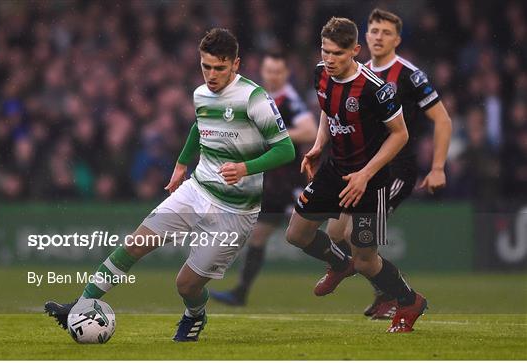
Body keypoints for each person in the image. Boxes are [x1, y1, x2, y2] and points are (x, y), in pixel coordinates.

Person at [44, 28, 295, 342]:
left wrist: (246, 167)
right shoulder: (201, 94)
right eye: (206, 66)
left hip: (235, 211)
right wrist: (180, 164)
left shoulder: (254, 98)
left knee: (186, 285)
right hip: (198, 189)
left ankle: (195, 314)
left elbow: (286, 149)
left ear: (236, 64)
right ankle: (80, 305)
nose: (212, 74)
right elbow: (199, 126)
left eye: (220, 67)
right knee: (135, 243)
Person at [284, 16, 427, 333]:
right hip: (334, 170)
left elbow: (400, 135)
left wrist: (365, 174)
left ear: (355, 51)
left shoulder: (376, 91)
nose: (329, 59)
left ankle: (409, 301)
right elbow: (327, 109)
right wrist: (320, 144)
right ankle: (338, 262)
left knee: (365, 259)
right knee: (296, 234)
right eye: (325, 51)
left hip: (371, 181)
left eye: (337, 53)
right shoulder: (321, 74)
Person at [313, 9, 452, 320]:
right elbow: (329, 104)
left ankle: (397, 297)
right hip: (358, 168)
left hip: (395, 170)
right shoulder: (351, 70)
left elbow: (442, 118)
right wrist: (321, 144)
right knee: (334, 232)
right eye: (374, 31)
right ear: (364, 38)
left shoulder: (409, 75)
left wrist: (438, 166)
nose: (378, 37)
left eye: (386, 32)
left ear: (397, 39)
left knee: (353, 237)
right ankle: (383, 291)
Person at [209, 51, 317, 306]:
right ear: (263, 71)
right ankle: (241, 292)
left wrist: (274, 135)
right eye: (269, 70)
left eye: (278, 71)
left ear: (286, 74)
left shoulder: (289, 100)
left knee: (315, 234)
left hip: (290, 183)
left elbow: (310, 130)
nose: (273, 76)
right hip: (272, 184)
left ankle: (354, 265)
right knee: (258, 236)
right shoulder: (262, 97)